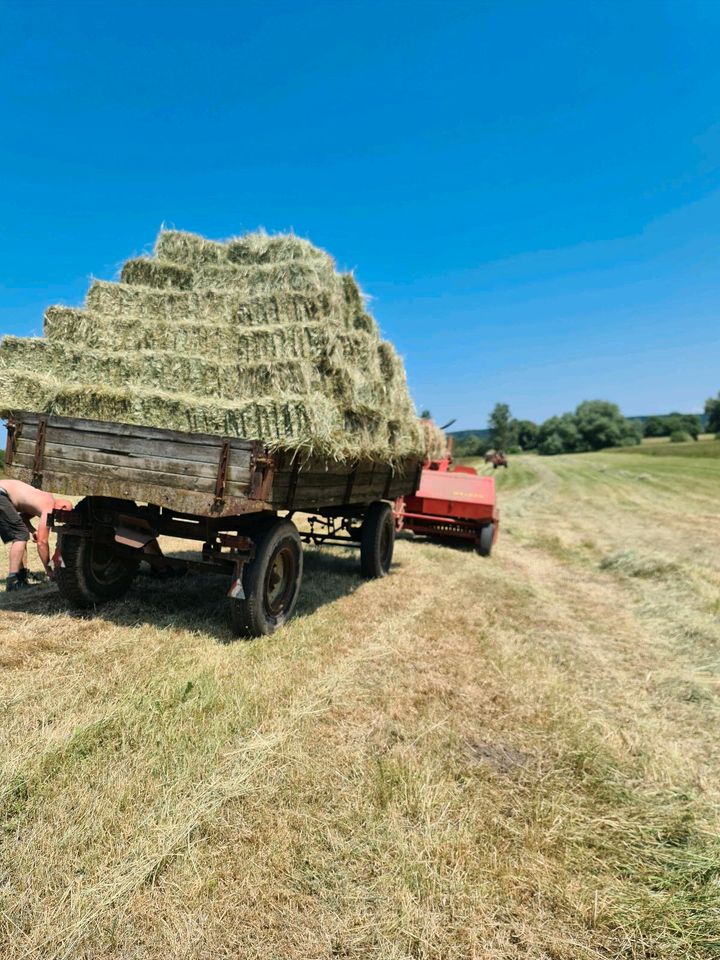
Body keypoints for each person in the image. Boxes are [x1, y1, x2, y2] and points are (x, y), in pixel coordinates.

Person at [0, 478, 72, 591]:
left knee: (21, 533)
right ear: (62, 507)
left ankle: (20, 577)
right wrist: (49, 571)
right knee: (21, 535)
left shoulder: (43, 499)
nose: (59, 520)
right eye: (63, 516)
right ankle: (13, 581)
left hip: (3, 492)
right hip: (1, 493)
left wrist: (33, 531)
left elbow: (23, 518)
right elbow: (42, 542)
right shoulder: (49, 505)